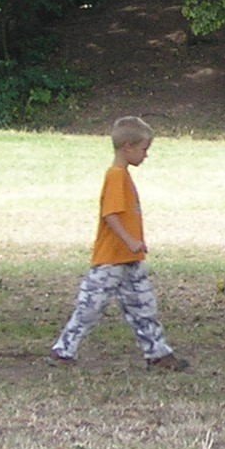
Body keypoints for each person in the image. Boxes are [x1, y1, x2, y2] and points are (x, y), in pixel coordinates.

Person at [49, 116, 189, 370]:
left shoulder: (122, 176)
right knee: (90, 307)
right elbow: (110, 215)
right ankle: (64, 350)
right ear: (127, 147)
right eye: (143, 149)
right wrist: (130, 240)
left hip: (129, 260)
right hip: (111, 260)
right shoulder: (115, 176)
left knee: (144, 306)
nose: (146, 155)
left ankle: (158, 353)